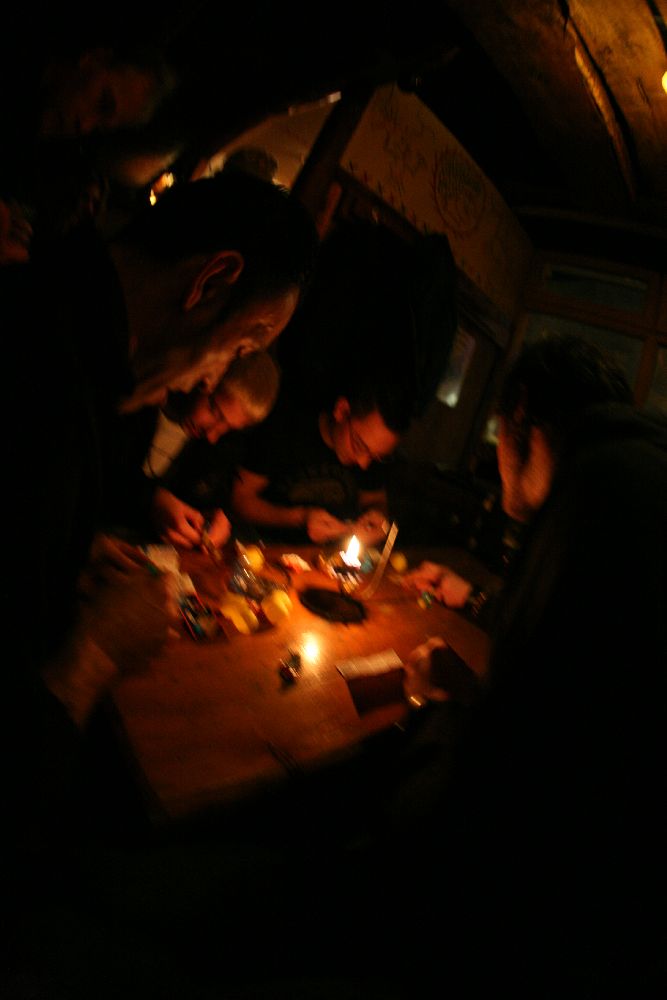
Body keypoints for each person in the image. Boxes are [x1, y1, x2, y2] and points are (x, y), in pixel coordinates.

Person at [0, 167, 317, 991]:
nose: (214, 384)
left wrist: (72, 554)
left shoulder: (64, 344)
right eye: (241, 346)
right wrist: (93, 656)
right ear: (209, 282)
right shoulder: (37, 379)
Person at [144, 350, 281, 549]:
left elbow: (192, 499)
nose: (212, 436)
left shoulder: (210, 446)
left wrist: (209, 519)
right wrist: (152, 499)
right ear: (205, 379)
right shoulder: (140, 406)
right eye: (214, 411)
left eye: (228, 427)